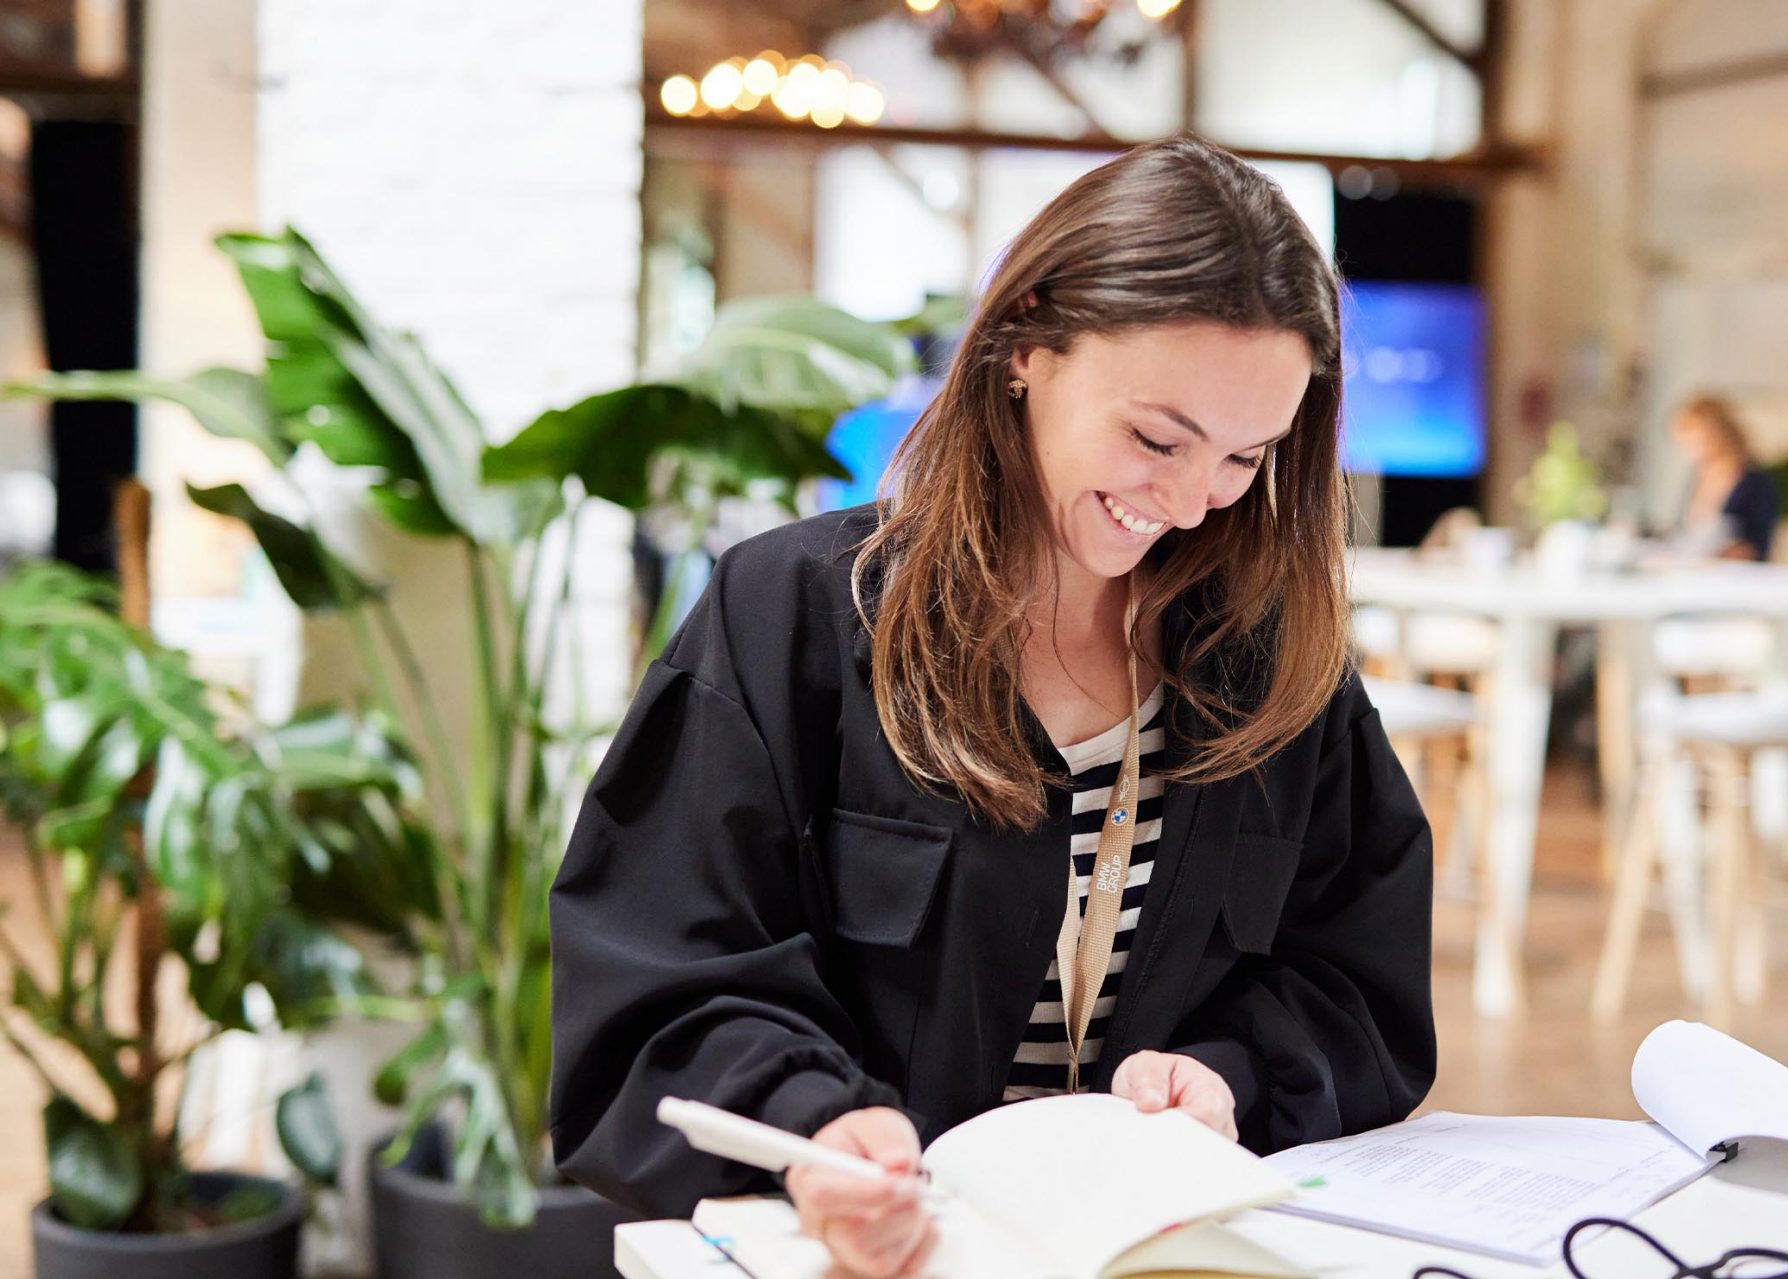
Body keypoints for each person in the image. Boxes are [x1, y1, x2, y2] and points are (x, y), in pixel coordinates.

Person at [548, 136, 1436, 1279]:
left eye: (1243, 457)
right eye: (1155, 436)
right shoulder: (793, 618)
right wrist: (815, 1125)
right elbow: (660, 982)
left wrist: (1234, 1071)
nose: (1185, 501)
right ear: (1026, 343)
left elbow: (1358, 976)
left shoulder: (1272, 664)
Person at [1666, 394, 1781, 561]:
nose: (1690, 449)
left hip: (1730, 579)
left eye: (1696, 440)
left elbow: (1758, 549)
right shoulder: (1696, 478)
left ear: (1717, 434)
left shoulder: (1756, 483)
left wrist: (1716, 554)